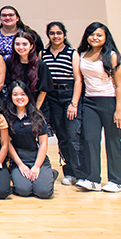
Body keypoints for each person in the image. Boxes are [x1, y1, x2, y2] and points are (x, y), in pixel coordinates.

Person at [71, 21, 121, 193]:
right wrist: (74, 103)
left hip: (111, 102)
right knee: (90, 141)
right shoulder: (81, 54)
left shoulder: (112, 56)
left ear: (105, 37)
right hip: (90, 103)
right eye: (92, 34)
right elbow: (78, 80)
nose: (95, 37)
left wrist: (119, 110)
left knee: (112, 142)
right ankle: (93, 179)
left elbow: (120, 86)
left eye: (99, 35)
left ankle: (116, 181)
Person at [41, 21, 82, 184]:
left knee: (73, 135)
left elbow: (78, 80)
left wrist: (74, 103)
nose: (55, 36)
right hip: (52, 97)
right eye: (52, 33)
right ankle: (69, 172)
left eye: (59, 33)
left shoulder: (72, 53)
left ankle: (81, 172)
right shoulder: (42, 54)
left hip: (69, 94)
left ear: (64, 34)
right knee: (62, 137)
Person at [6, 81, 55, 199]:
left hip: (36, 157)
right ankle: (16, 174)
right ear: (10, 97)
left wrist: (37, 166)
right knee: (24, 190)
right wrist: (20, 165)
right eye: (15, 94)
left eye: (23, 94)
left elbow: (43, 143)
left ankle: (50, 173)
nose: (19, 98)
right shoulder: (6, 116)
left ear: (28, 95)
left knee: (43, 192)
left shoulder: (37, 115)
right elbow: (8, 144)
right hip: (18, 158)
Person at [7, 31, 53, 110]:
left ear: (31, 46)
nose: (21, 47)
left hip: (38, 107)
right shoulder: (9, 62)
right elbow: (8, 86)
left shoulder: (40, 65)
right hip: (16, 108)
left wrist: (35, 111)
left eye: (24, 44)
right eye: (17, 44)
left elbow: (43, 91)